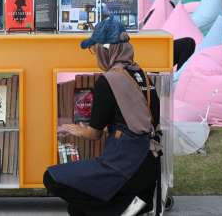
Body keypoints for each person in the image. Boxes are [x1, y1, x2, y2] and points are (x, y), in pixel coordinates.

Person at [44, 18, 162, 216]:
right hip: (150, 167)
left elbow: (94, 134)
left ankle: (121, 208)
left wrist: (76, 129)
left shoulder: (108, 81)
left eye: (95, 50)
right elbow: (142, 122)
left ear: (106, 50)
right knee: (77, 207)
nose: (95, 56)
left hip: (126, 166)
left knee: (52, 178)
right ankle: (137, 203)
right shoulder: (143, 75)